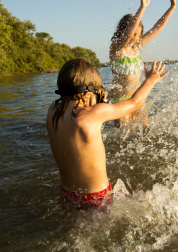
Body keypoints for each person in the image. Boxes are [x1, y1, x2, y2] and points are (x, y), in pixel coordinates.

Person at [46, 58, 169, 209]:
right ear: (86, 94)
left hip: (67, 193)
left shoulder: (52, 111)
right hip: (96, 197)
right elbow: (133, 103)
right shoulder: (90, 114)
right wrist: (151, 80)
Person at [110, 0, 178, 127]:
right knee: (123, 135)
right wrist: (142, 8)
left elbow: (157, 28)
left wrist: (171, 7)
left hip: (137, 97)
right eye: (132, 34)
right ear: (122, 31)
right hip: (120, 100)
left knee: (145, 131)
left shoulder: (137, 47)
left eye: (138, 34)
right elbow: (128, 33)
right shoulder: (116, 49)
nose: (134, 38)